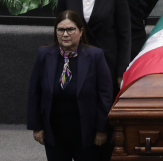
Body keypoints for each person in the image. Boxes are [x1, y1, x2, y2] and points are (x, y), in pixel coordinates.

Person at [56, 0, 131, 161]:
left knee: (103, 111)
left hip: (106, 63)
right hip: (75, 61)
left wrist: (121, 71)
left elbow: (124, 34)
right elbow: (59, 28)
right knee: (78, 107)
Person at [27, 10, 112, 160]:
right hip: (55, 132)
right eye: (60, 29)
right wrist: (37, 126)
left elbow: (105, 96)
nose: (65, 34)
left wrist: (101, 129)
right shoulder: (44, 54)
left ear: (80, 31)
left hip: (86, 132)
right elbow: (35, 92)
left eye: (70, 29)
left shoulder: (95, 56)